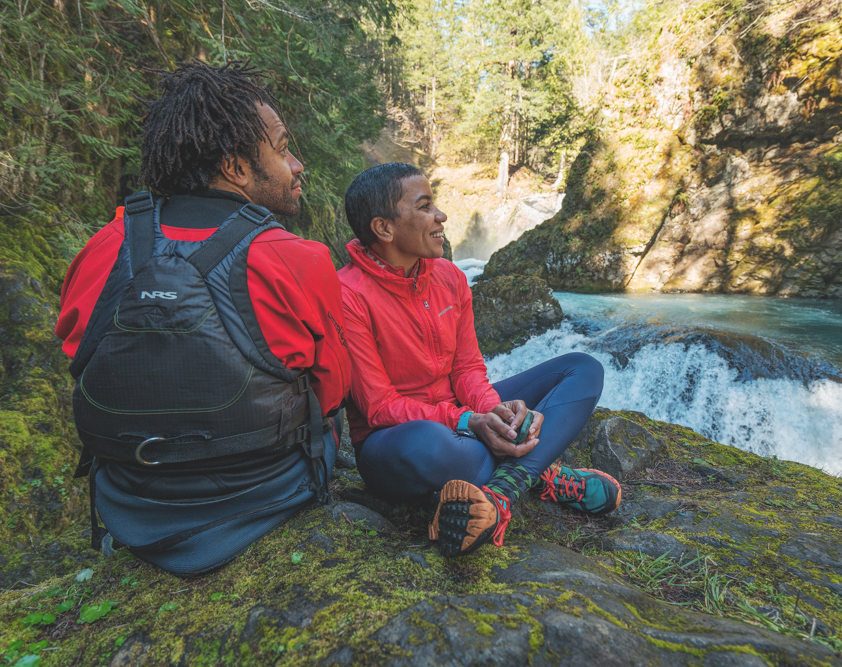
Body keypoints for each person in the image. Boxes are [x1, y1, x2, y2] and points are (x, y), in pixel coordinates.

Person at [55, 61, 350, 576]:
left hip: (130, 502)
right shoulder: (298, 258)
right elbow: (333, 388)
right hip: (269, 492)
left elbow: (80, 357)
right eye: (282, 149)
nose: (297, 163)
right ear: (235, 167)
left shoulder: (102, 249)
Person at [338, 162, 620, 557]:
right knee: (439, 448)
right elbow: (378, 407)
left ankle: (503, 492)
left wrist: (497, 413)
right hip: (395, 442)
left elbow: (467, 369)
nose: (441, 216)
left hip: (463, 418)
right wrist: (470, 421)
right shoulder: (347, 295)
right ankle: (540, 473)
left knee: (582, 368)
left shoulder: (450, 277)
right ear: (384, 228)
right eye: (424, 207)